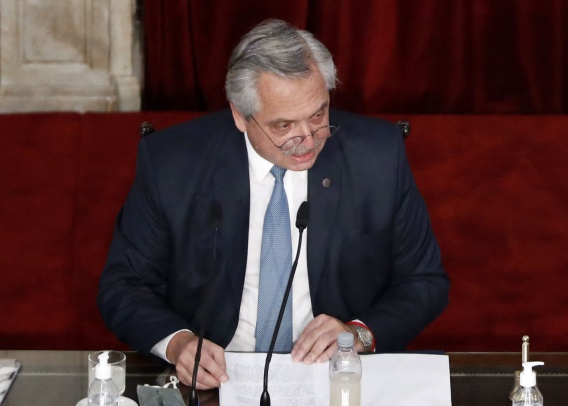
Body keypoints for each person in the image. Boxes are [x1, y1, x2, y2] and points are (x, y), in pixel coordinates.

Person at [97, 19, 449, 390]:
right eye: (283, 126)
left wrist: (358, 333)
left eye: (318, 115)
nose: (308, 139)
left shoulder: (378, 156)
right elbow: (124, 285)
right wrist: (178, 343)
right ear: (240, 116)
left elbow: (424, 281)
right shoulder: (172, 164)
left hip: (335, 376)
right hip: (217, 378)